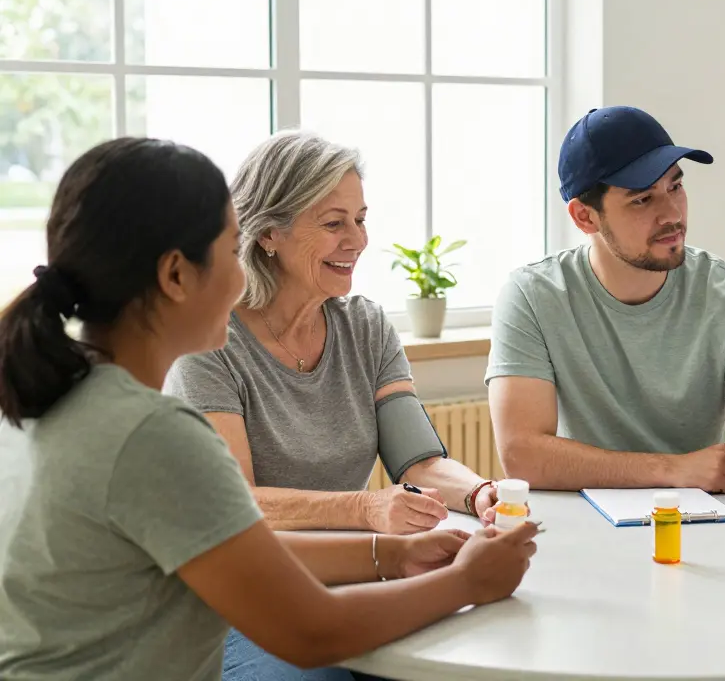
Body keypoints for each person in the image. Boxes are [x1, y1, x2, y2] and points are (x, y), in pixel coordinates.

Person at [0, 138, 538, 680]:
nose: (241, 274)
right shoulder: (150, 435)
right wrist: (469, 581)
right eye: (233, 250)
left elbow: (240, 546)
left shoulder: (51, 397)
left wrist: (394, 556)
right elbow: (311, 632)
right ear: (176, 276)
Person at [486, 106, 725, 531]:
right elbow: (523, 454)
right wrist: (672, 469)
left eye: (676, 186)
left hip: (697, 529)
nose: (672, 214)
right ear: (584, 216)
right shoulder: (532, 295)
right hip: (575, 528)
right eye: (643, 199)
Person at [165, 130, 501, 539]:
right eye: (333, 223)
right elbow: (234, 499)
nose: (357, 240)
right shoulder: (208, 342)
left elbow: (420, 462)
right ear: (269, 233)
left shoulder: (367, 328)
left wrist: (479, 491)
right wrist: (363, 508)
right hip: (251, 569)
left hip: (350, 560)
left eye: (360, 219)